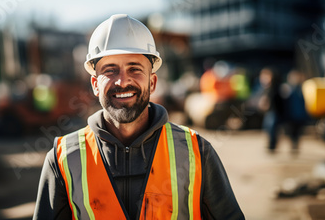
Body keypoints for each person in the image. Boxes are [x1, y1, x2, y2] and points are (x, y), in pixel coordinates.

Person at [33, 14, 244, 220]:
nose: (122, 81)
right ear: (95, 85)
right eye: (110, 70)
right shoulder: (62, 159)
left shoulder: (197, 152)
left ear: (152, 82)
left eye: (134, 69)